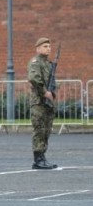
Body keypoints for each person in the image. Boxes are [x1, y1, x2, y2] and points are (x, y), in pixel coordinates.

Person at [27, 38, 58, 170]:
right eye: (45, 46)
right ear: (38, 48)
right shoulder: (35, 62)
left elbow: (52, 81)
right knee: (39, 130)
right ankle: (38, 159)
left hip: (48, 103)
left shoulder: (48, 64)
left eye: (49, 46)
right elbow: (34, 79)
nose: (48, 49)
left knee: (46, 130)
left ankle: (42, 156)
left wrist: (53, 91)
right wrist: (45, 92)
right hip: (39, 102)